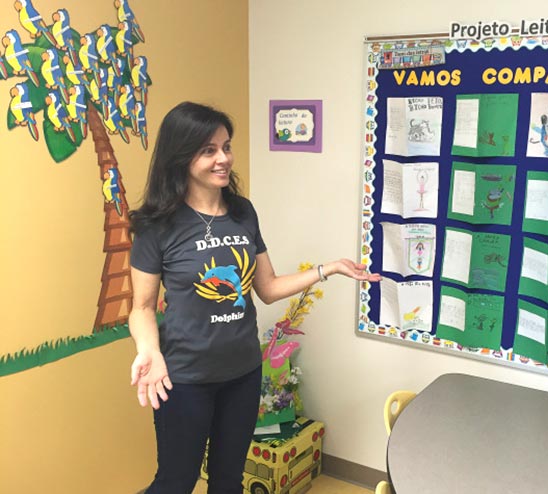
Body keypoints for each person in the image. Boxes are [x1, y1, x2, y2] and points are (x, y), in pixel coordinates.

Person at [128, 101, 381, 494]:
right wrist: (150, 350)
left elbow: (266, 287)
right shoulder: (157, 225)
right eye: (209, 150)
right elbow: (142, 307)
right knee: (176, 482)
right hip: (184, 378)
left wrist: (325, 269)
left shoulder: (242, 212)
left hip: (243, 373)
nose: (223, 158)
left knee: (228, 481)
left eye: (226, 147)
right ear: (181, 156)